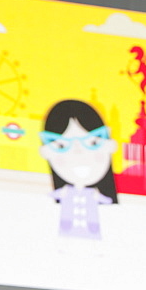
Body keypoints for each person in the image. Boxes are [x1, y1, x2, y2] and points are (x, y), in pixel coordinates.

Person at [39, 99, 118, 240]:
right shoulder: (62, 195)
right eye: (62, 146)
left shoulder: (98, 198)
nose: (78, 153)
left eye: (92, 142)